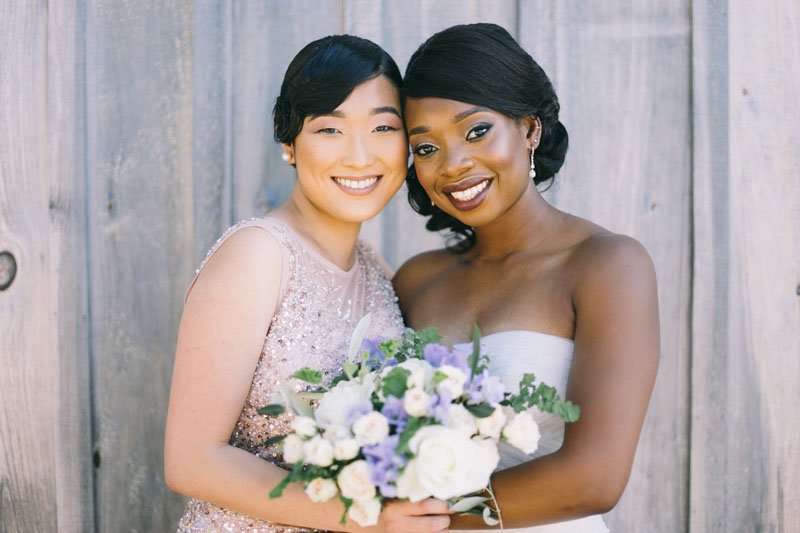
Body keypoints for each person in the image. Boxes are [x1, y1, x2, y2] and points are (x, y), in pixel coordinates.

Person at [165, 35, 450, 533]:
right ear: (288, 142)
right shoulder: (258, 255)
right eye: (330, 129)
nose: (360, 157)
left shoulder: (377, 273)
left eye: (384, 126)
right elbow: (191, 461)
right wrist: (366, 518)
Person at [393, 23, 660, 531]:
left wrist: (419, 523)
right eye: (425, 148)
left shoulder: (606, 266)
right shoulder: (416, 281)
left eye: (476, 131)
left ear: (530, 128)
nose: (453, 165)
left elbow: (594, 479)